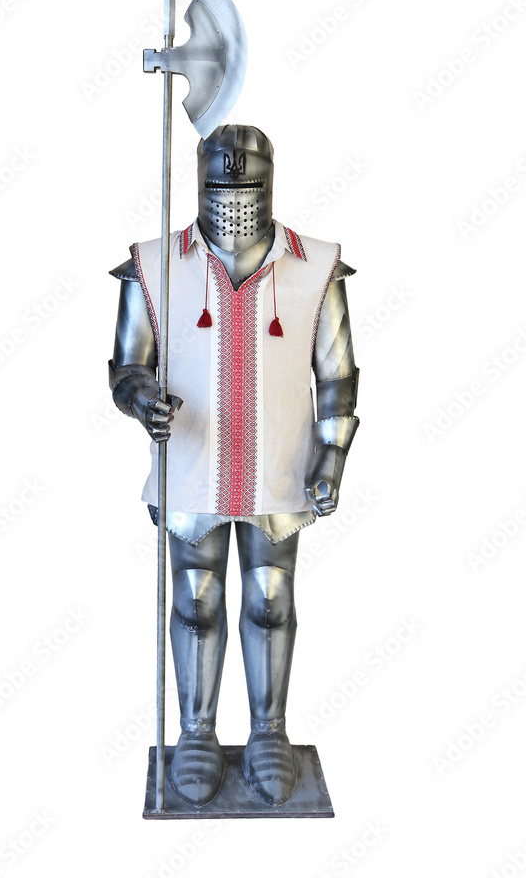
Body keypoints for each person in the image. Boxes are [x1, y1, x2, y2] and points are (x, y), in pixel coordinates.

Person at [108, 125, 359, 806]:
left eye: (245, 185)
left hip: (279, 463)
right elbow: (126, 365)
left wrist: (331, 455)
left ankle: (268, 732)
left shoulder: (314, 267)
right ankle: (195, 732)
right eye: (223, 185)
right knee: (195, 597)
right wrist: (142, 398)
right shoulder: (155, 265)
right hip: (193, 463)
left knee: (270, 597)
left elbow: (336, 376)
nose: (234, 200)